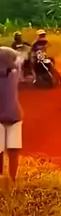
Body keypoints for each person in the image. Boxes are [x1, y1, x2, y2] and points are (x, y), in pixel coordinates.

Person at [0, 47, 23, 184]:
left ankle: (5, 178)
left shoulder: (13, 74)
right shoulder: (14, 74)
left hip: (8, 116)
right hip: (14, 115)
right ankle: (12, 179)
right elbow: (19, 58)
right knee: (13, 150)